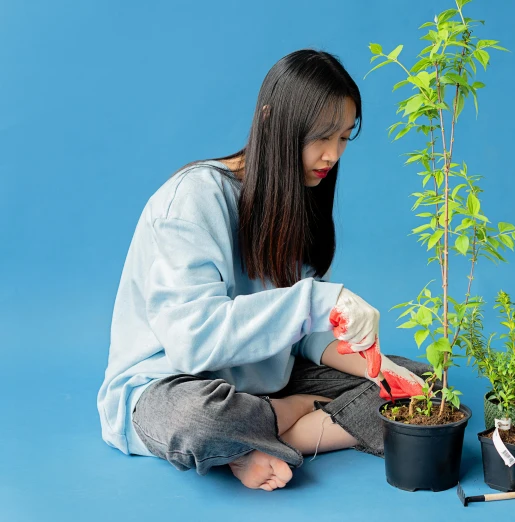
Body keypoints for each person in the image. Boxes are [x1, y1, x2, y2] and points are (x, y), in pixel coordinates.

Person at [97, 49, 427, 492]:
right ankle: (279, 419)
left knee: (423, 385)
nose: (332, 155)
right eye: (321, 136)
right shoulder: (193, 198)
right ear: (271, 120)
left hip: (266, 379)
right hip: (173, 386)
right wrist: (317, 304)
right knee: (196, 419)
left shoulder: (298, 200)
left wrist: (378, 368)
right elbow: (193, 343)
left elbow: (306, 332)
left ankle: (257, 443)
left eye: (345, 138)